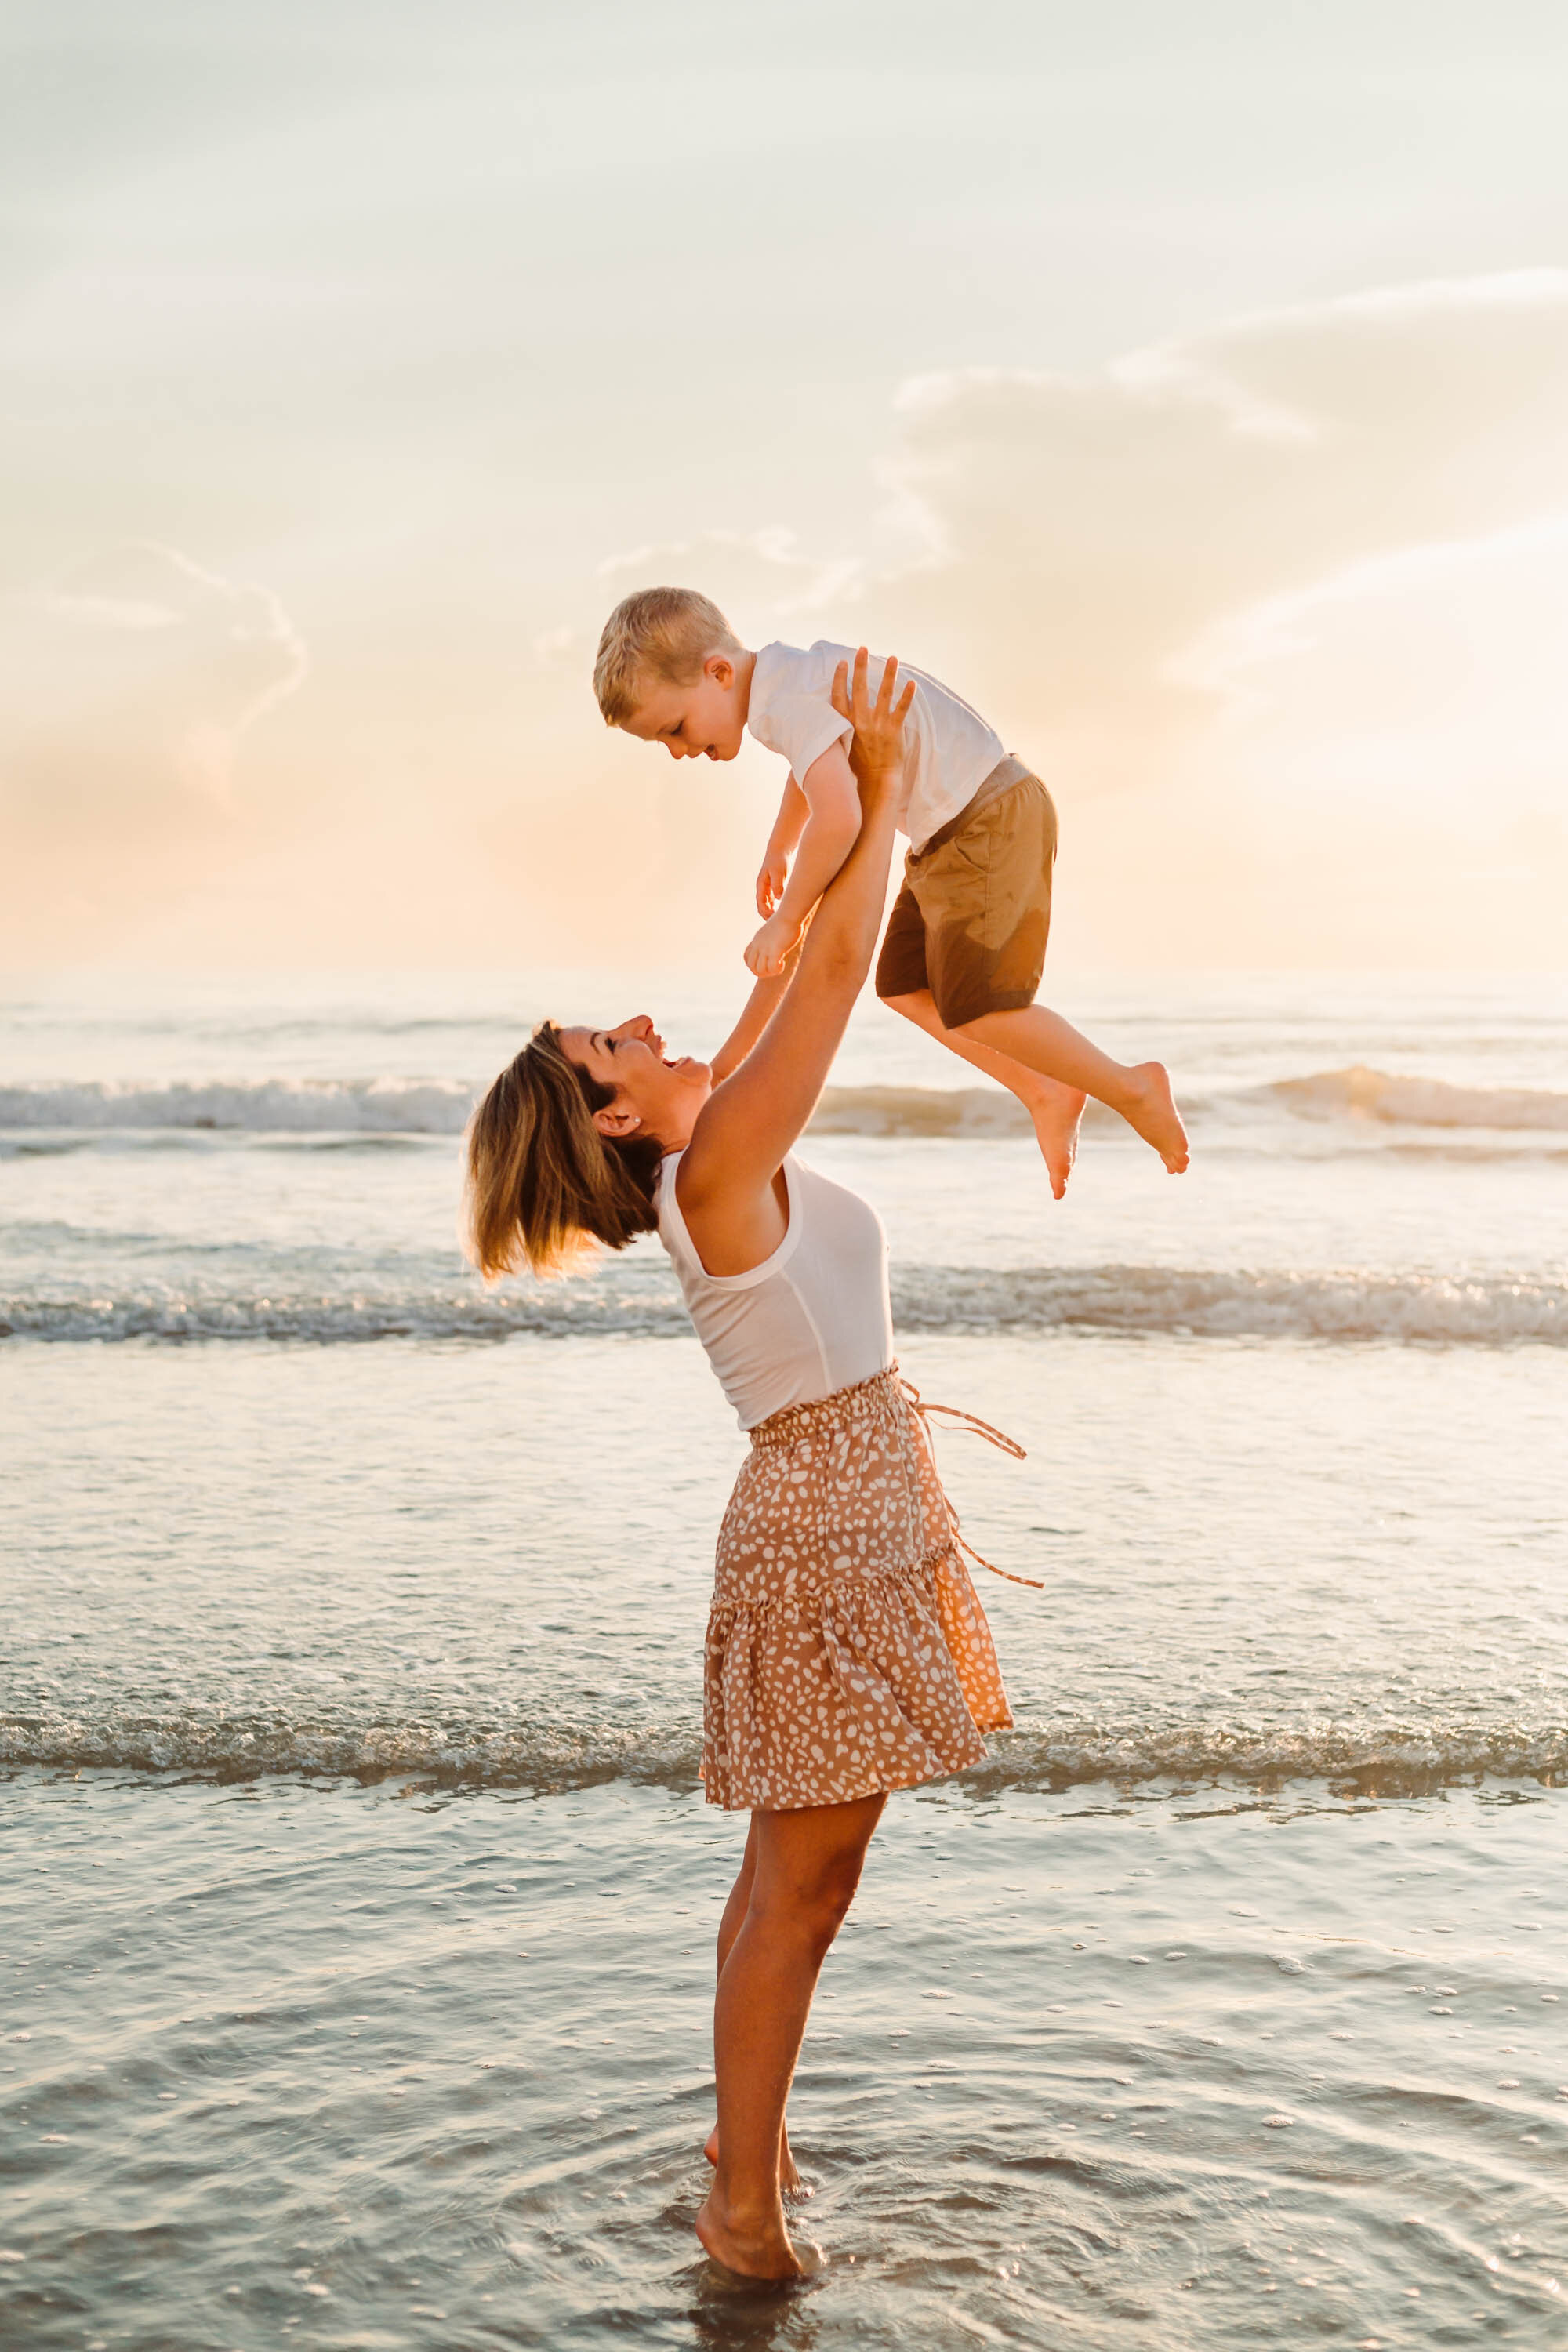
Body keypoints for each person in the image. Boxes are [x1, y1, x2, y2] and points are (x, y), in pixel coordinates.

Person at [466, 653, 1021, 2281]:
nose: (630, 1023)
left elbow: (798, 956)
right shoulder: (716, 1165)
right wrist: (879, 779)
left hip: (845, 1503)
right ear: (617, 1121)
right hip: (822, 1522)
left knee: (796, 1874)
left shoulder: (707, 1128)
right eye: (602, 1044)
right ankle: (744, 2212)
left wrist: (833, 786)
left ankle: (743, 2149)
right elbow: (839, 971)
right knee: (805, 1880)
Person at [592, 584, 1189, 1200]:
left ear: (717, 672)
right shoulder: (785, 681)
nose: (678, 751)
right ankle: (1044, 1088)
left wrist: (787, 919)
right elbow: (817, 767)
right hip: (952, 828)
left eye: (676, 728)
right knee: (904, 985)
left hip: (983, 819)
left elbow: (841, 818)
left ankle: (1131, 1086)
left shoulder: (781, 701)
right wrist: (781, 845)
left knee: (981, 1004)